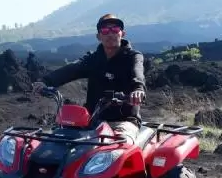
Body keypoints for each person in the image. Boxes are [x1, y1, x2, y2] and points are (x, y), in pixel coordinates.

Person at [34, 13, 146, 142]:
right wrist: (46, 82)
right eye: (105, 30)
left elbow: (137, 73)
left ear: (122, 33)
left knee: (118, 148)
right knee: (60, 141)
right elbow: (72, 69)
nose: (110, 33)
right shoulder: (93, 59)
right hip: (92, 120)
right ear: (99, 36)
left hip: (123, 121)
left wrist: (138, 89)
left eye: (115, 29)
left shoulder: (133, 57)